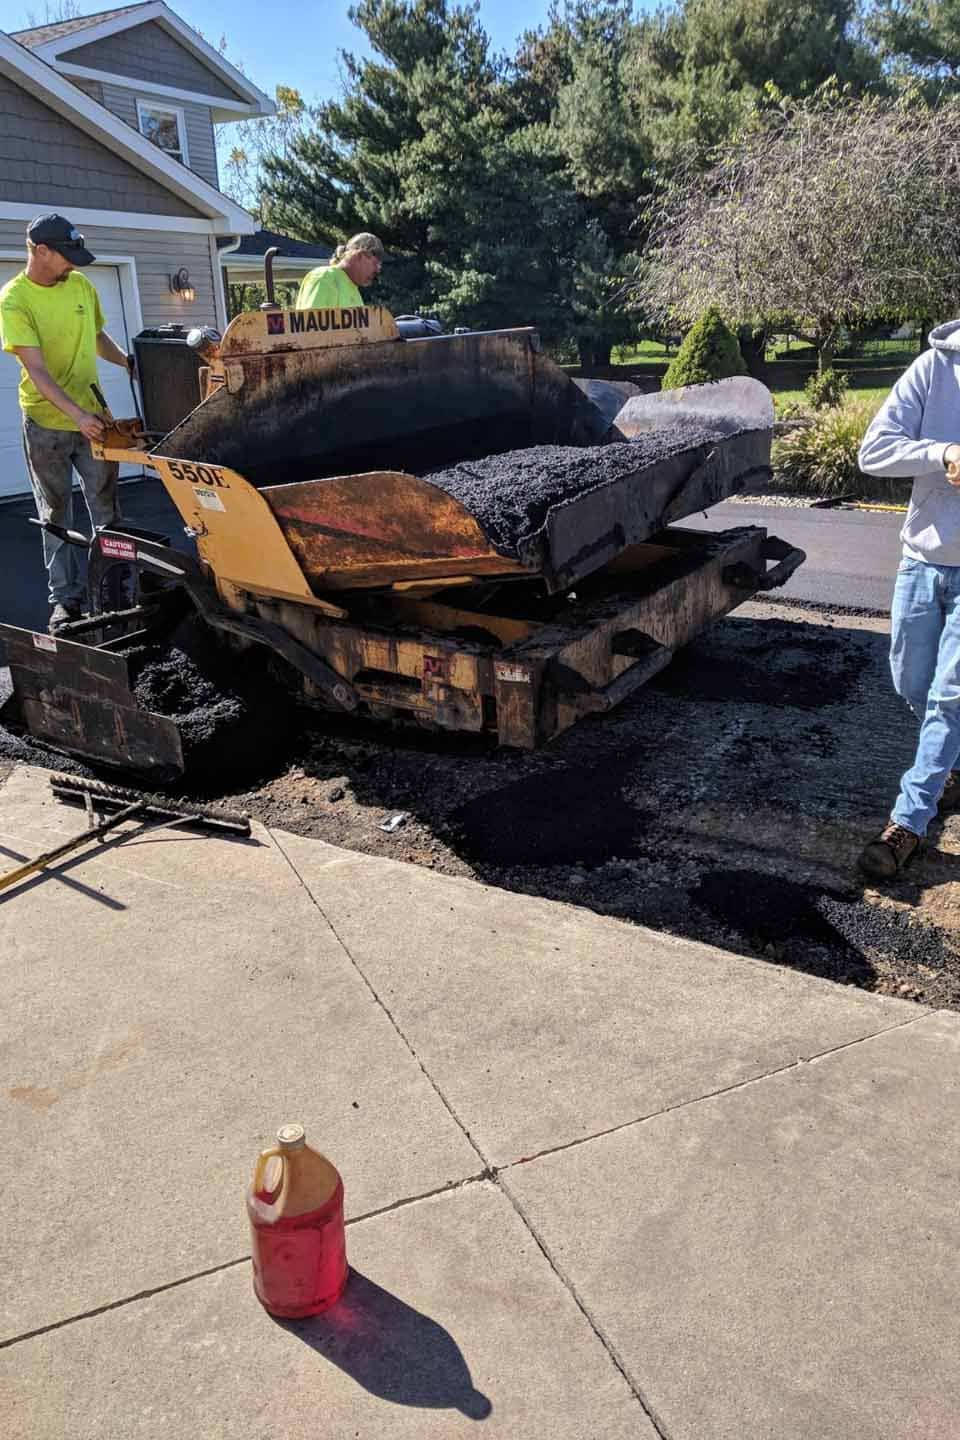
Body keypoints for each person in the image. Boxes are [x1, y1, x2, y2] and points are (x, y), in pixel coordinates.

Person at [856, 320, 960, 879]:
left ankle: (907, 824)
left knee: (949, 697)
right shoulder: (936, 368)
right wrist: (943, 453)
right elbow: (874, 452)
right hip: (922, 559)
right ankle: (953, 764)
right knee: (912, 683)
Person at [0, 214, 133, 634]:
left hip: (93, 416)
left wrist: (131, 364)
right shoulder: (14, 300)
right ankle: (66, 600)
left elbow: (97, 337)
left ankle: (114, 590)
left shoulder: (79, 286)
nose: (73, 264)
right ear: (40, 251)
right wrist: (77, 416)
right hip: (46, 422)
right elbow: (36, 369)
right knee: (55, 512)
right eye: (66, 256)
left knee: (106, 508)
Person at [295, 233, 384, 310]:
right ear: (359, 255)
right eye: (375, 263)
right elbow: (311, 325)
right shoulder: (324, 277)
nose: (377, 270)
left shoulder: (352, 288)